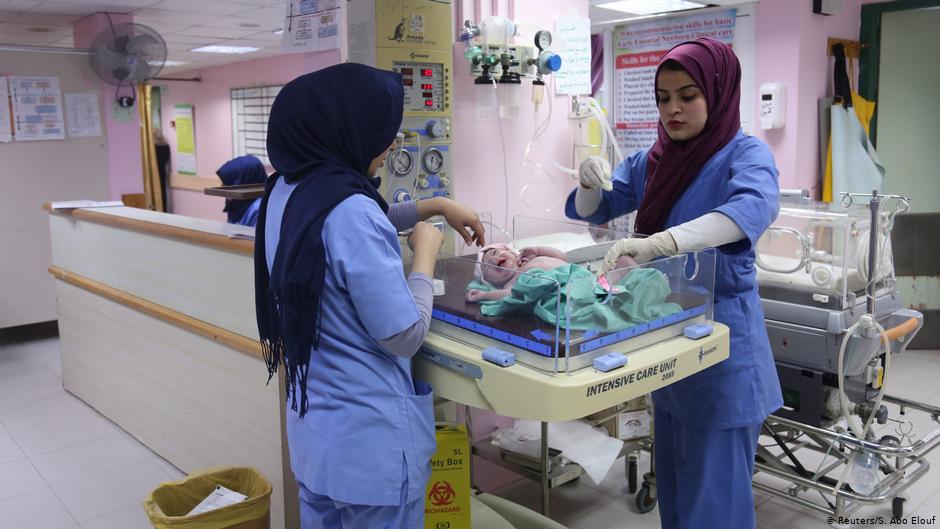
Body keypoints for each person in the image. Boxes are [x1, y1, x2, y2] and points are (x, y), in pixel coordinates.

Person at [253, 63, 485, 529]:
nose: (391, 144)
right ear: (347, 128)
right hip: (370, 453)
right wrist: (424, 254)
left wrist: (435, 204)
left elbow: (355, 218)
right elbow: (403, 333)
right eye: (384, 133)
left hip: (317, 442)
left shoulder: (287, 190)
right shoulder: (350, 209)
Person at [565, 38, 782, 529]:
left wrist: (661, 244)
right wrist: (588, 180)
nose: (672, 109)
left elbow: (748, 212)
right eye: (663, 98)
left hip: (724, 353)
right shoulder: (656, 161)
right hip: (669, 348)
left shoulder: (745, 156)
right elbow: (593, 209)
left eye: (688, 95)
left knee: (715, 510)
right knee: (679, 504)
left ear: (719, 93)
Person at [216, 155, 268, 227]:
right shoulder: (236, 203)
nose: (222, 187)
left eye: (227, 183)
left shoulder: (259, 208)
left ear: (244, 182)